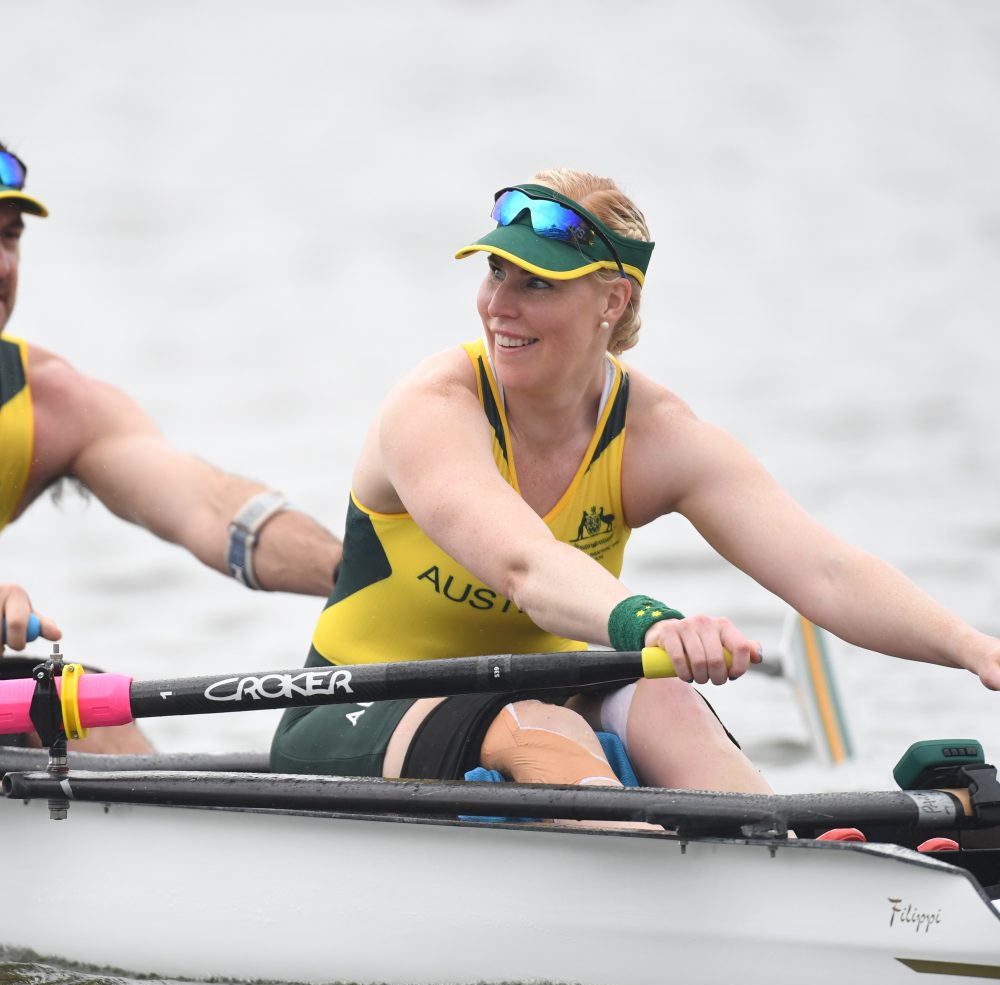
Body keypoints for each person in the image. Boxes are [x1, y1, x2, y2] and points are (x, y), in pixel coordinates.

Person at [270, 167, 1000, 813]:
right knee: (543, 726)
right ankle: (658, 876)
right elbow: (525, 567)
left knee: (665, 700)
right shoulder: (434, 409)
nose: (500, 304)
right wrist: (651, 624)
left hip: (542, 687)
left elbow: (828, 572)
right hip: (356, 703)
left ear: (612, 300)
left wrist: (974, 648)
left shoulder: (656, 435)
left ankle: (802, 864)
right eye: (496, 272)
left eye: (537, 284)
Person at [1, 142, 343, 753]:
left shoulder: (51, 403)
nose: (3, 266)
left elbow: (212, 510)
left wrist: (364, 576)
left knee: (90, 719)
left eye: (8, 237)